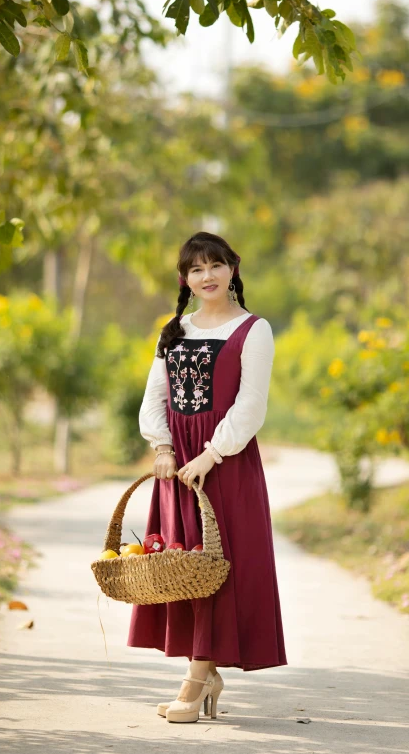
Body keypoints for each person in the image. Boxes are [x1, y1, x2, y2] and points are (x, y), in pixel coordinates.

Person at [127, 230, 287, 723]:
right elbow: (155, 396)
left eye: (216, 265)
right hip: (176, 468)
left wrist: (211, 454)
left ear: (233, 269)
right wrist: (164, 447)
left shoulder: (253, 329)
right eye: (196, 269)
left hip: (226, 466)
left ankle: (196, 682)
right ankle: (205, 674)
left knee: (221, 570)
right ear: (186, 279)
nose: (208, 275)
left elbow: (251, 405)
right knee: (187, 569)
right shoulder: (173, 328)